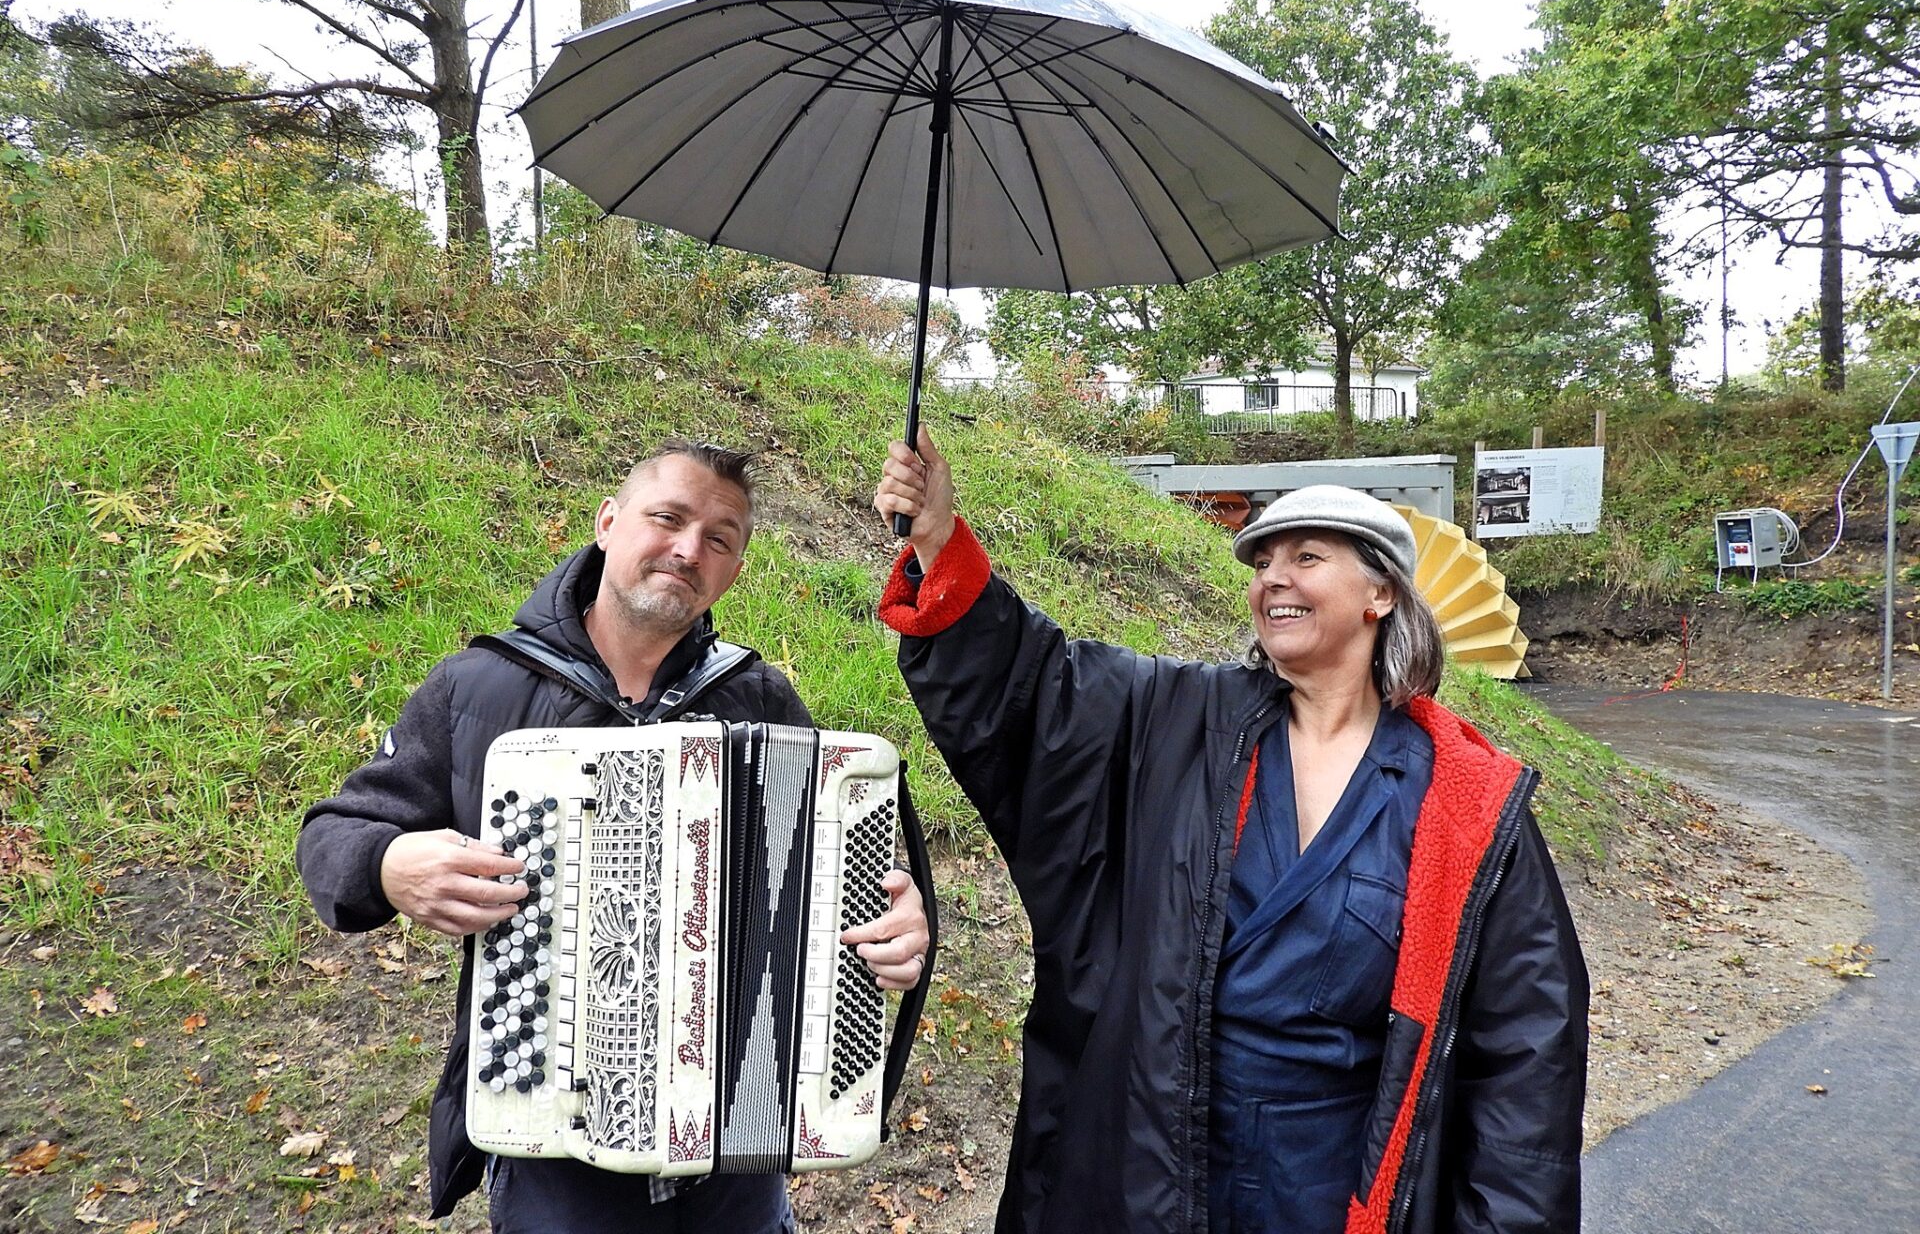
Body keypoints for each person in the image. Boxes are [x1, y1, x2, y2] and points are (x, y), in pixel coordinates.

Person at [873, 431, 1587, 1234]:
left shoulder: (1464, 802)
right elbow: (1038, 693)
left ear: (1381, 593)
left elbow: (1525, 1056)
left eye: (1307, 557)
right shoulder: (1179, 720)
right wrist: (938, 539)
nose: (1273, 577)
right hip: (1159, 1170)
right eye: (1263, 563)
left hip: (1329, 1190)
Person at [298, 440, 930, 1234]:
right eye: (667, 517)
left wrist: (895, 922)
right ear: (607, 522)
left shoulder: (759, 700)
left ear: (734, 570)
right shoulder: (475, 689)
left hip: (736, 1159)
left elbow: (841, 884)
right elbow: (334, 834)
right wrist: (389, 864)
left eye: (720, 538)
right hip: (558, 1159)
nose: (689, 549)